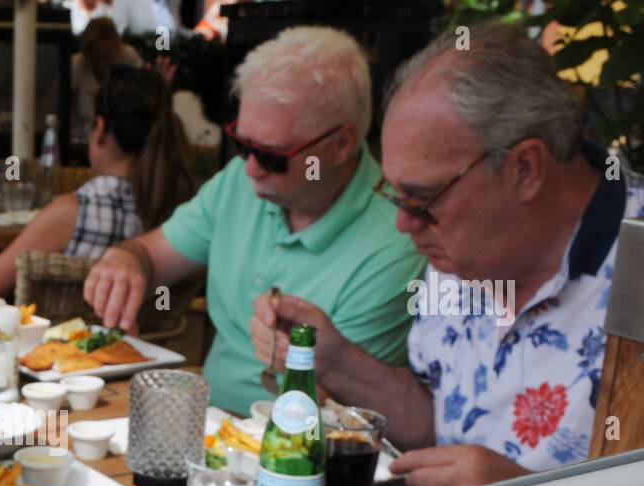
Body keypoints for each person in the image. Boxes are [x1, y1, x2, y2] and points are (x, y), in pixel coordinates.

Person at [251, 20, 644, 486]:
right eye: (398, 197)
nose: (405, 225)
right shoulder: (461, 248)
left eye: (422, 199)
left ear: (524, 169)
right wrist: (338, 361)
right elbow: (439, 422)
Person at [84, 26, 424, 414]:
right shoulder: (238, 183)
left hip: (293, 455)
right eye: (243, 144)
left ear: (342, 143)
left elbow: (343, 419)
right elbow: (151, 254)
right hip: (202, 431)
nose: (251, 169)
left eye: (273, 156)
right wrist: (127, 260)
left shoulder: (394, 243)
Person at [0, 64, 193, 298]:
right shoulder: (184, 213)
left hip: (66, 334)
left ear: (100, 130)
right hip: (149, 334)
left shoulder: (75, 213)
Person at [69, 16, 142, 150]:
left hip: (121, 147)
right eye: (96, 58)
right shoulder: (76, 65)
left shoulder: (129, 59)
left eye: (107, 58)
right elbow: (53, 106)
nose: (102, 65)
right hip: (80, 146)